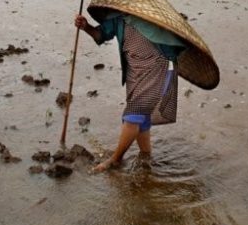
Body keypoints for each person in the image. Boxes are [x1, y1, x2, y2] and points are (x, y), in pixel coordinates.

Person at [75, 11, 187, 173]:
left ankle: (115, 160)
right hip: (135, 73)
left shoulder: (153, 16)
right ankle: (146, 158)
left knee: (133, 115)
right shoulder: (118, 18)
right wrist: (86, 27)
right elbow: (101, 35)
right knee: (141, 119)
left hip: (158, 69)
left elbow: (177, 42)